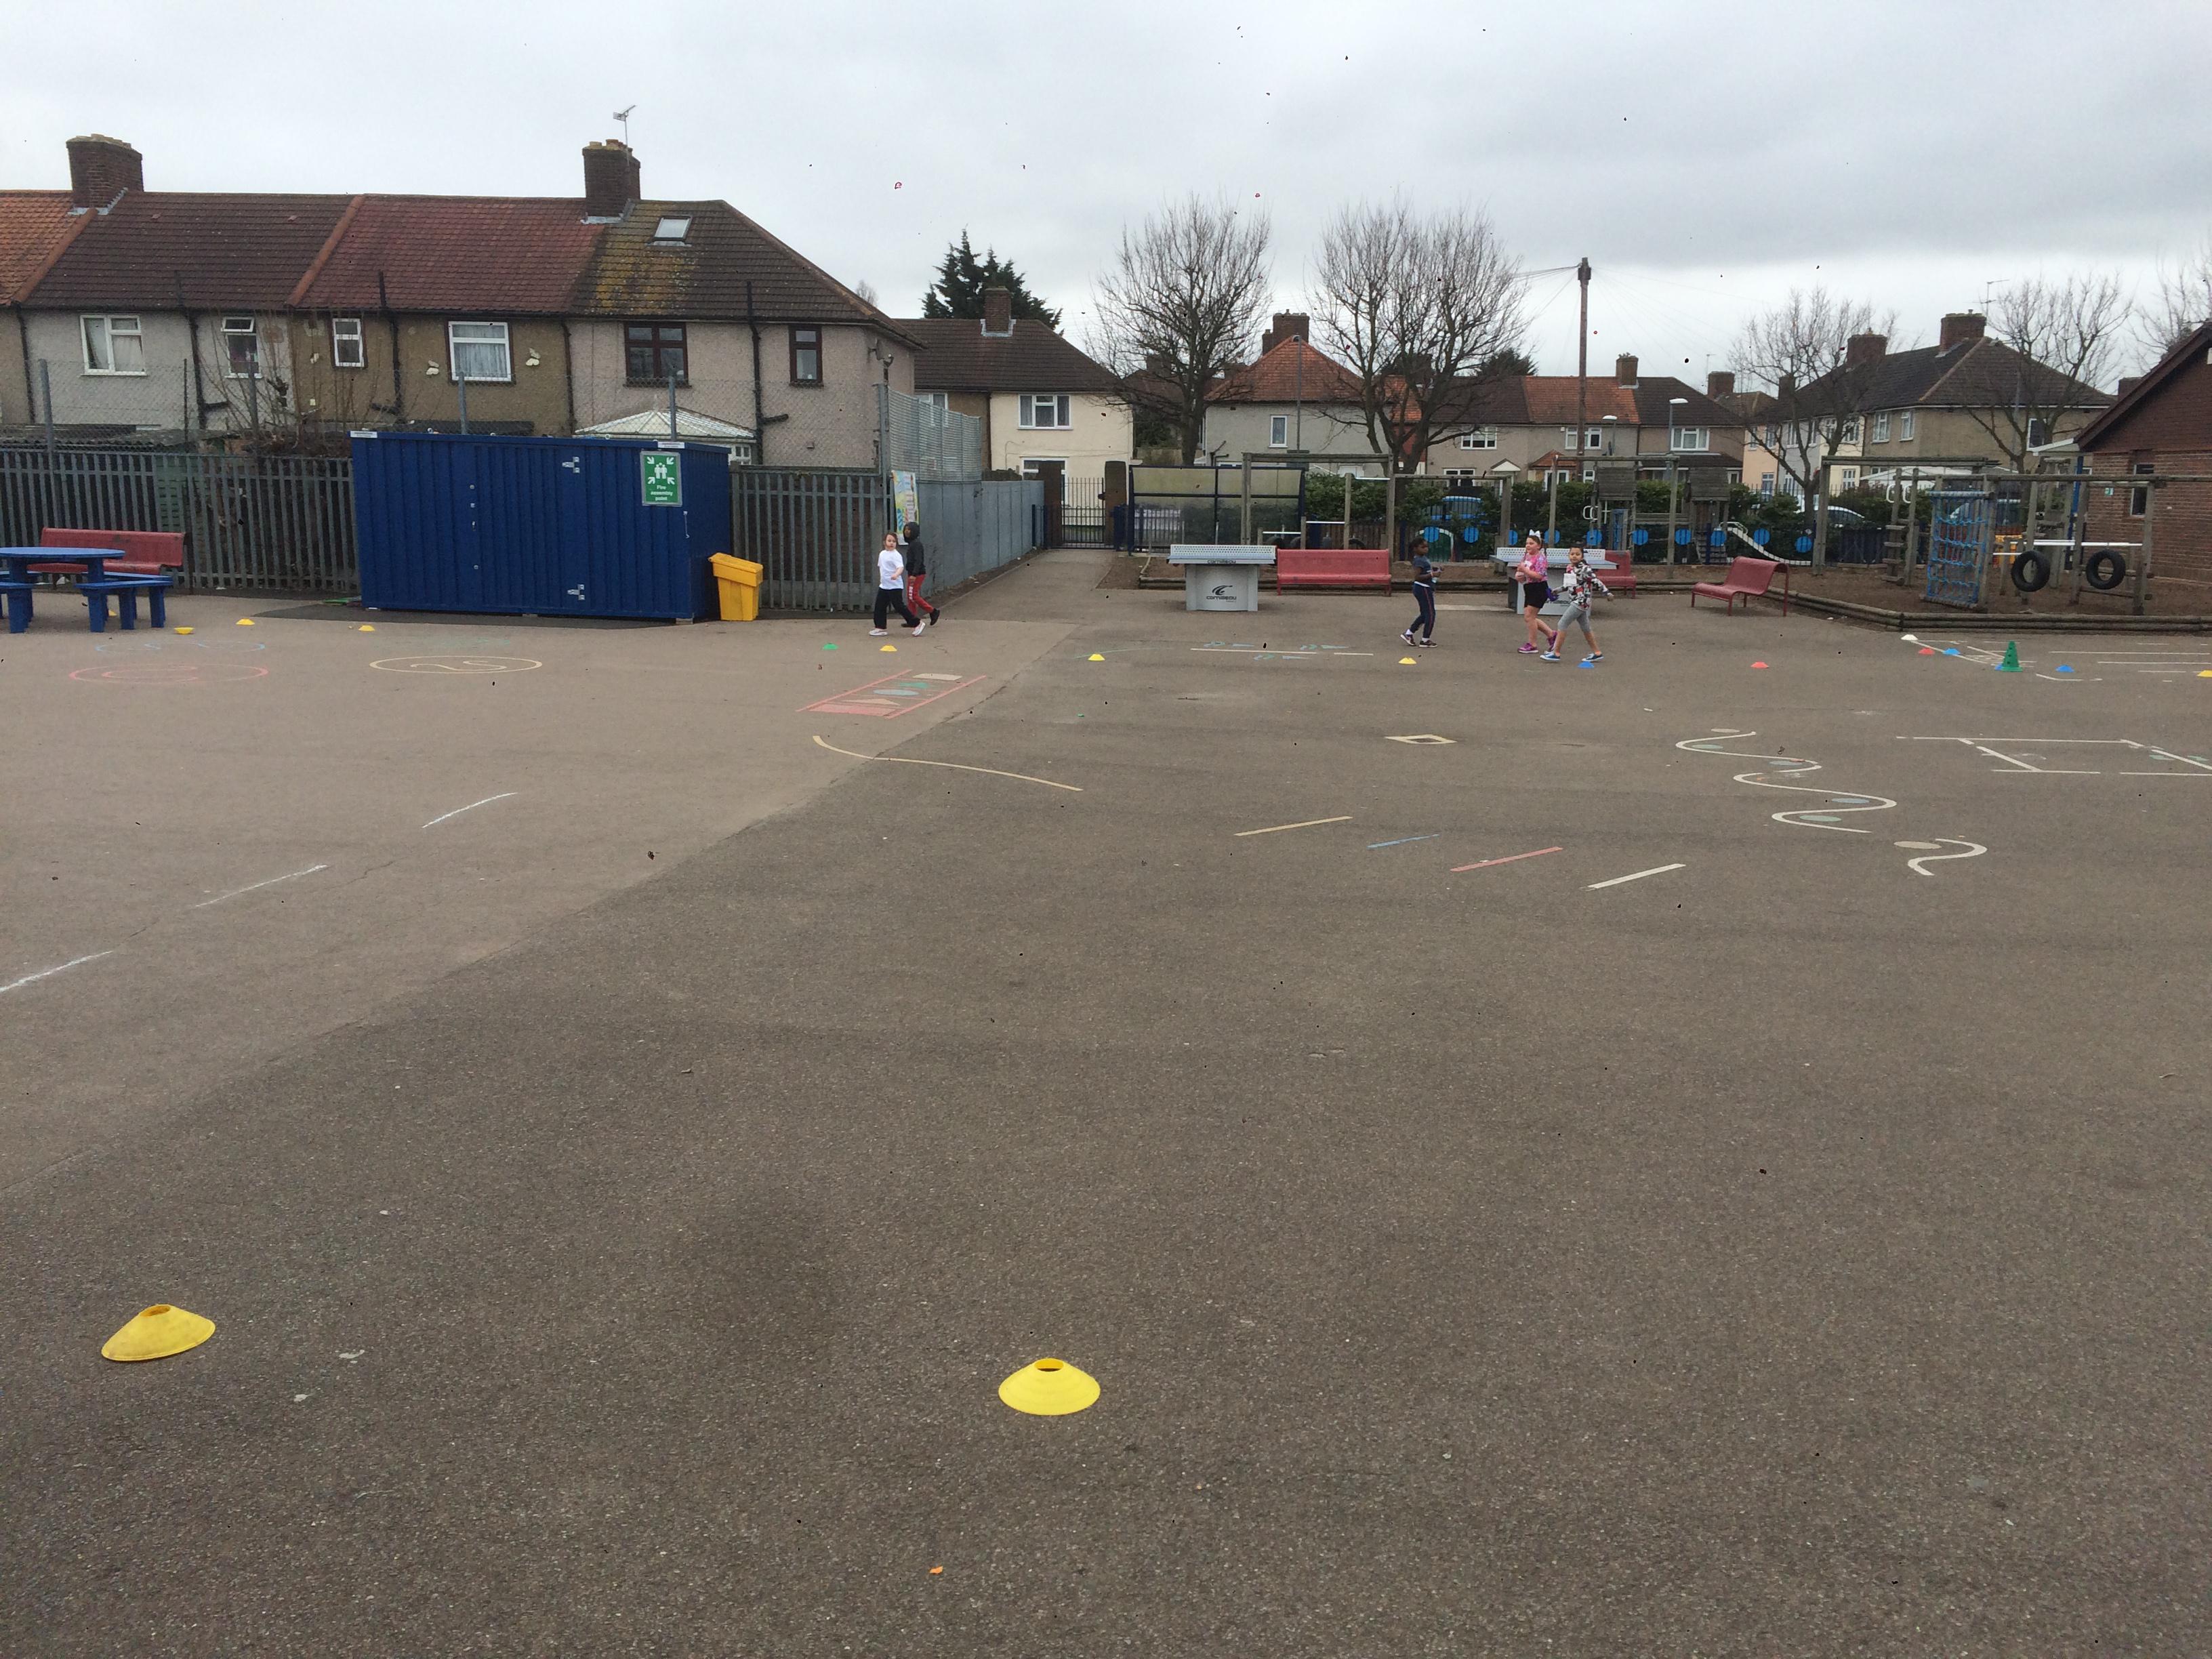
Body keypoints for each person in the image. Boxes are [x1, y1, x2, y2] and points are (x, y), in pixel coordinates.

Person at [1539, 545, 1610, 663]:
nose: (1574, 556)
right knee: (1585, 627)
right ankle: (1597, 652)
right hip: (1576, 601)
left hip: (1581, 601)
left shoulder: (1585, 569)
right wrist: (1557, 590)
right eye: (1572, 554)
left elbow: (1596, 581)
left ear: (1582, 556)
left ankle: (1556, 653)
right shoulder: (1570, 568)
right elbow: (1569, 585)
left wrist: (1607, 593)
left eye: (1577, 554)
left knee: (1562, 624)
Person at [872, 533, 927, 636]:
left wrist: (896, 575)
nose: (891, 543)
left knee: (899, 607)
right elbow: (882, 568)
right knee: (879, 606)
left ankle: (917, 623)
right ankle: (880, 627)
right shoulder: (882, 554)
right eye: (889, 541)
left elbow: (900, 567)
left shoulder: (896, 555)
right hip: (884, 586)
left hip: (895, 587)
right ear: (884, 542)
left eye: (894, 541)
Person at [1514, 533, 1558, 655]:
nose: (1528, 546)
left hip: (1539, 588)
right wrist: (1520, 575)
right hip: (1529, 587)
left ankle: (1532, 644)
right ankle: (1552, 634)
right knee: (1529, 617)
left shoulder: (1541, 558)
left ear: (1538, 546)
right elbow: (1523, 571)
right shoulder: (1526, 557)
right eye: (1527, 543)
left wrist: (1525, 570)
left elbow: (1539, 575)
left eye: (1531, 543)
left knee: (1530, 617)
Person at [901, 520, 940, 624]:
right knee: (910, 597)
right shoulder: (912, 544)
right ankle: (912, 619)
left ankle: (932, 611)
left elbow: (919, 560)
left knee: (913, 596)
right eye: (906, 529)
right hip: (912, 573)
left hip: (917, 574)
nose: (907, 532)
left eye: (909, 530)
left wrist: (914, 574)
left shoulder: (916, 544)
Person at [1401, 551, 1438, 648]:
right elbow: (1417, 577)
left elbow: (1426, 572)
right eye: (1422, 547)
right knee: (1431, 614)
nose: (1426, 549)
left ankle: (1409, 633)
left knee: (1425, 614)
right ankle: (1425, 640)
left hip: (1426, 587)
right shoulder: (1418, 560)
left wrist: (1436, 571)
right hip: (1423, 588)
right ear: (1415, 548)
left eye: (1426, 547)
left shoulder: (1424, 558)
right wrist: (1432, 574)